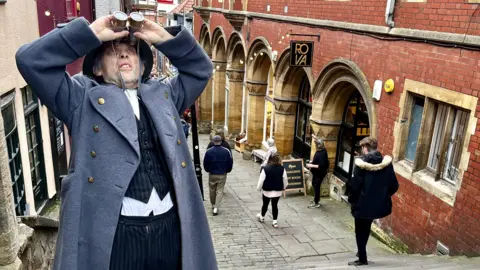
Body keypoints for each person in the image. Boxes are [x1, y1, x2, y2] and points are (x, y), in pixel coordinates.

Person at [15, 15, 217, 270]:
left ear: (142, 67)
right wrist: (91, 34)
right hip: (117, 237)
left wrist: (164, 39)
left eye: (131, 51)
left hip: (170, 231)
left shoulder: (166, 96)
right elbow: (30, 60)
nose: (124, 56)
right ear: (97, 69)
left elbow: (201, 69)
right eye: (113, 52)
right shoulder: (80, 100)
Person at [346, 137, 399, 266]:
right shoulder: (386, 164)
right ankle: (361, 251)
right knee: (367, 227)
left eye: (362, 148)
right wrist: (382, 196)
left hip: (361, 204)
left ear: (365, 148)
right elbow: (394, 185)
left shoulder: (361, 165)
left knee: (359, 230)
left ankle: (362, 258)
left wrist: (351, 199)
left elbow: (355, 185)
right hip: (376, 205)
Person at [203, 135, 233, 216]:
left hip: (212, 173)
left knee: (212, 189)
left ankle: (213, 204)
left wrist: (207, 170)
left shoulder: (209, 151)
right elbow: (230, 162)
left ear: (213, 141)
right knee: (219, 191)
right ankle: (216, 207)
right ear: (220, 141)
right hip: (222, 173)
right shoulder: (226, 151)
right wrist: (228, 170)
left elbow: (205, 163)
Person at [256, 153, 288, 228]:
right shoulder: (282, 169)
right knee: (275, 205)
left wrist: (259, 188)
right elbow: (285, 180)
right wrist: (284, 187)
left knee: (265, 204)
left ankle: (262, 217)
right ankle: (275, 221)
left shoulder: (266, 168)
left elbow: (261, 180)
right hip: (277, 191)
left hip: (267, 191)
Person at [306, 137, 329, 209]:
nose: (315, 145)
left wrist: (311, 165)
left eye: (316, 144)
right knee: (314, 183)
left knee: (316, 185)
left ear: (319, 145)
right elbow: (317, 160)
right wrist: (312, 162)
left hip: (320, 173)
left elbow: (321, 165)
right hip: (316, 173)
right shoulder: (320, 150)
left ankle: (316, 203)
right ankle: (316, 199)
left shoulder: (322, 153)